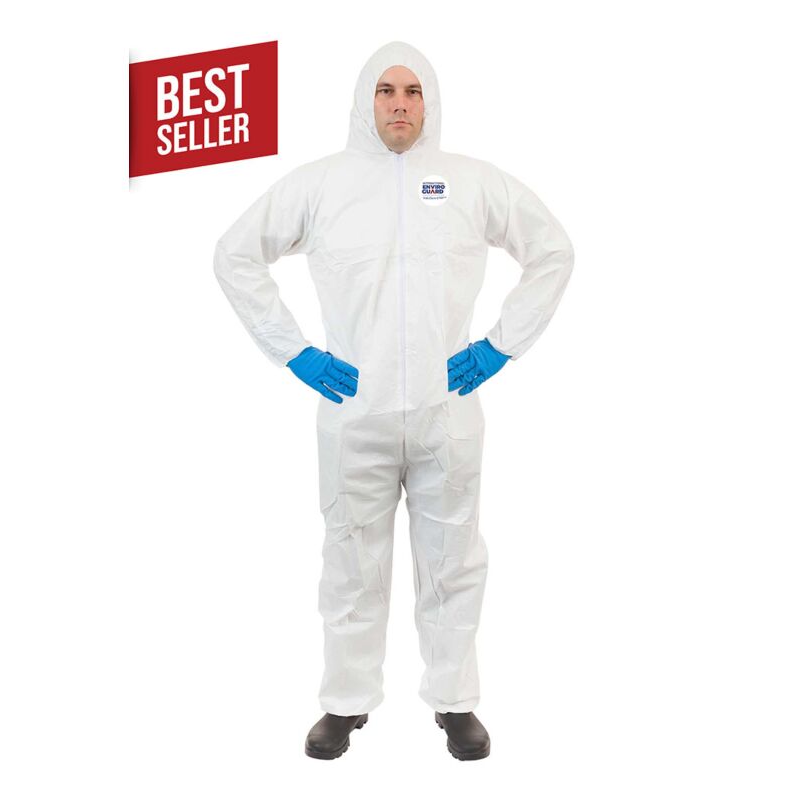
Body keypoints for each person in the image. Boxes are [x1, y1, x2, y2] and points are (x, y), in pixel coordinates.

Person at [214, 41, 574, 761]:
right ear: (365, 101)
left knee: (453, 560)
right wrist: (294, 352)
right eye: (386, 91)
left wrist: (500, 346)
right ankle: (345, 703)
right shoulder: (322, 185)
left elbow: (554, 250)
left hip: (447, 411)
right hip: (355, 411)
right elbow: (234, 253)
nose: (400, 104)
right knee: (351, 559)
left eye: (412, 91)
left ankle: (455, 702)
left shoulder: (471, 182)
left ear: (429, 101)